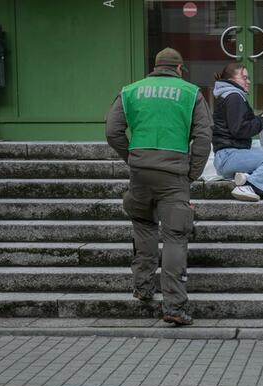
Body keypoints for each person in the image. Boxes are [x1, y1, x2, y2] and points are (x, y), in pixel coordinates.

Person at [105, 47, 212, 326]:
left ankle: (142, 288)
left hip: (140, 173)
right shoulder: (190, 93)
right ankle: (174, 306)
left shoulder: (130, 91)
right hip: (174, 175)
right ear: (178, 69)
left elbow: (112, 129)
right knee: (176, 236)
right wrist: (192, 174)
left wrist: (131, 157)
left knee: (143, 225)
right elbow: (203, 137)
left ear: (155, 67)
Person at [212, 63, 263, 202]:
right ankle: (248, 187)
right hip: (229, 156)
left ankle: (245, 177)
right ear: (231, 80)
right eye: (244, 78)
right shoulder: (234, 97)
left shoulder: (230, 96)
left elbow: (239, 125)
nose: (248, 81)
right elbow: (240, 129)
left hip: (228, 157)